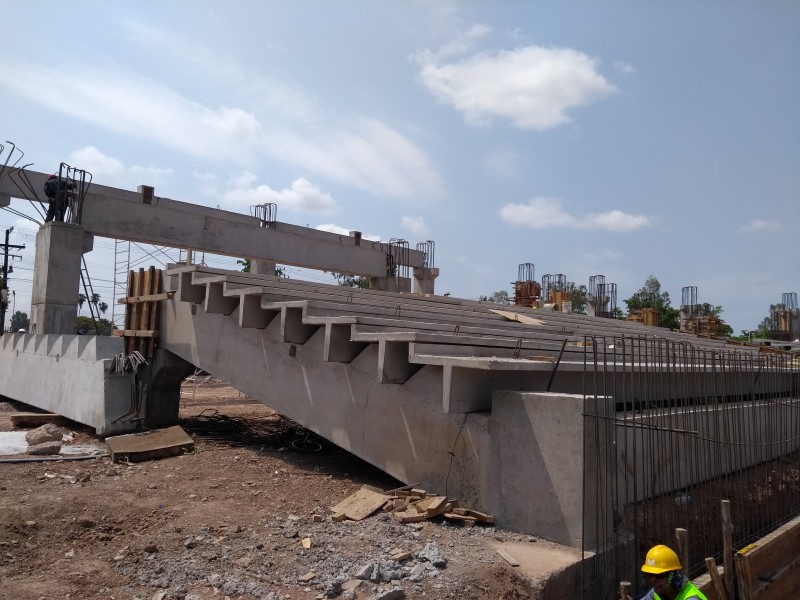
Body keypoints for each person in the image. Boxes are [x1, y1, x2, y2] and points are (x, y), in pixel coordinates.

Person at [639, 545, 708, 600]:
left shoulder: (691, 598)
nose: (653, 579)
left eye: (659, 575)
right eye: (650, 574)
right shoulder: (657, 593)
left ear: (672, 575)